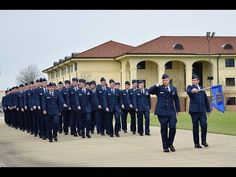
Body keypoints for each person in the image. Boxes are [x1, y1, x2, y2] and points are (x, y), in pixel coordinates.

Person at [149, 73, 180, 152]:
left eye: (166, 80)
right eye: (163, 80)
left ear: (169, 80)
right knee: (164, 129)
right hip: (162, 112)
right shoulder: (159, 88)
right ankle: (165, 146)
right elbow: (150, 91)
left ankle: (170, 143)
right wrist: (156, 85)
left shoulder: (173, 88)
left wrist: (178, 110)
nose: (165, 81)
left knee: (173, 127)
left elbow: (176, 100)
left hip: (171, 111)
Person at [186, 74, 211, 148]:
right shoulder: (190, 87)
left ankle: (204, 141)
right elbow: (189, 91)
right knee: (195, 127)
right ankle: (196, 143)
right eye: (193, 80)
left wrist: (208, 110)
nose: (193, 81)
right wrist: (193, 91)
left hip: (202, 111)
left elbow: (206, 100)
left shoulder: (202, 89)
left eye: (195, 80)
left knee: (204, 125)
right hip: (194, 111)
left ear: (198, 81)